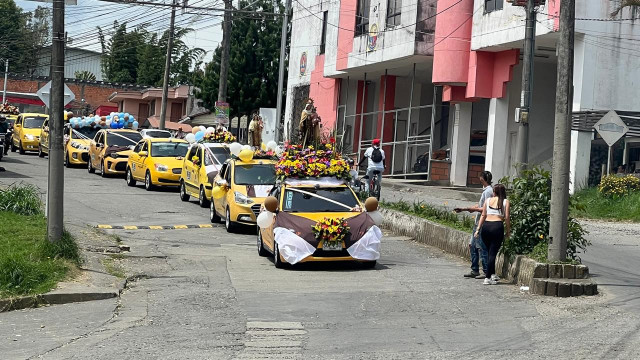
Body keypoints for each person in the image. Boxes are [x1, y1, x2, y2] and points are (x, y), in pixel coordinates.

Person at [455, 171, 493, 279]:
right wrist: (467, 208)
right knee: (472, 245)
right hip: (478, 221)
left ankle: (486, 271)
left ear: (482, 178)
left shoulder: (488, 192)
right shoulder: (486, 191)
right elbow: (480, 205)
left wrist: (471, 209)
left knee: (481, 247)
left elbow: (485, 209)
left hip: (482, 222)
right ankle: (474, 269)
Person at [475, 184, 511, 285]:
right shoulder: (505, 202)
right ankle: (487, 277)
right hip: (497, 227)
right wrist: (508, 231)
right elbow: (507, 217)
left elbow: (483, 215)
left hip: (486, 227)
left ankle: (492, 274)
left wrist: (478, 229)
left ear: (494, 192)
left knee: (489, 252)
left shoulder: (488, 201)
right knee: (493, 253)